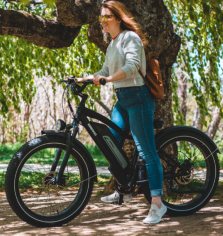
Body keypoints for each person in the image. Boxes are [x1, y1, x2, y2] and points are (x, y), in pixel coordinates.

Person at [75, 0, 166, 224]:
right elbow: (106, 70)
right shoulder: (112, 44)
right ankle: (124, 190)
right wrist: (84, 78)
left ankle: (157, 204)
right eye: (101, 17)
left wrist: (108, 80)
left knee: (146, 151)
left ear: (117, 18)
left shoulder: (130, 38)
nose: (103, 21)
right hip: (123, 100)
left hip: (139, 98)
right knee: (111, 145)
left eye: (107, 16)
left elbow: (132, 66)